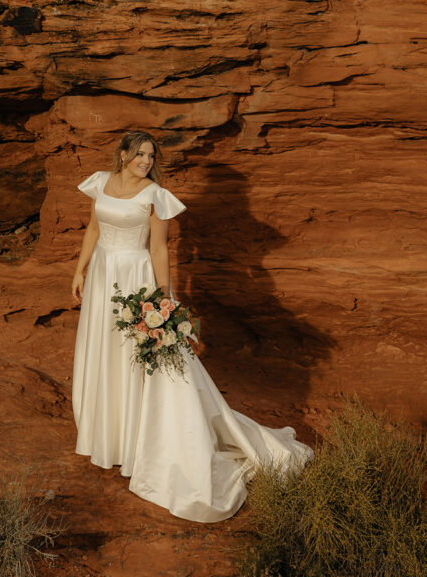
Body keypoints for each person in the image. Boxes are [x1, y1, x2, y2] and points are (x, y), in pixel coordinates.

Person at [71, 130, 313, 522]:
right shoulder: (101, 182)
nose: (146, 162)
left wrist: (163, 299)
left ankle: (137, 443)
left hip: (135, 278)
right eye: (139, 154)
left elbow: (159, 248)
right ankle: (108, 438)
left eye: (151, 156)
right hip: (102, 276)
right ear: (122, 154)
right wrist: (80, 270)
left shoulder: (154, 195)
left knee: (136, 357)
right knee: (105, 351)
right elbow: (94, 230)